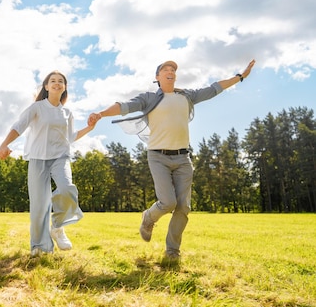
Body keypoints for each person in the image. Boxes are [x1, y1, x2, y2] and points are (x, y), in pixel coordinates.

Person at [88, 59, 256, 262]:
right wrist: (101, 114)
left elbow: (214, 89)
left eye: (173, 70)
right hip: (158, 157)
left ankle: (172, 251)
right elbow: (124, 106)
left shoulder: (187, 96)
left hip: (183, 158)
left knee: (183, 207)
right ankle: (148, 217)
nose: (170, 71)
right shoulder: (149, 98)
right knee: (168, 202)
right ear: (157, 77)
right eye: (165, 69)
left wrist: (240, 77)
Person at [0, 70, 96, 257]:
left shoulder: (67, 112)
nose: (57, 83)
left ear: (64, 87)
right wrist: (4, 144)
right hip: (38, 158)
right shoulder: (36, 108)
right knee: (39, 205)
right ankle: (40, 247)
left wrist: (90, 127)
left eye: (61, 81)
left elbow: (71, 137)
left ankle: (57, 227)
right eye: (53, 81)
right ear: (46, 86)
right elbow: (18, 126)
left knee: (67, 189)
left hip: (60, 157)